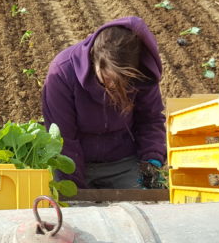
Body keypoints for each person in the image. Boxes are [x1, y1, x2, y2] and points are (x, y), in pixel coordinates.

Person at [41, 16, 166, 189]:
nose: (114, 87)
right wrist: (76, 191)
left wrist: (152, 159)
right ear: (95, 63)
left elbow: (150, 119)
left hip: (123, 163)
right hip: (78, 162)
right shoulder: (63, 72)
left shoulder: (141, 74)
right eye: (108, 80)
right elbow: (63, 138)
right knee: (76, 211)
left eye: (122, 83)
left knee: (146, 207)